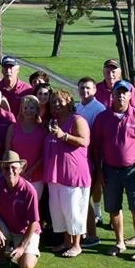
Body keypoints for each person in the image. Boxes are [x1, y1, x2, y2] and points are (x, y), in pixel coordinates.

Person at [91, 80, 135, 261]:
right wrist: (100, 171)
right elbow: (96, 147)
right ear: (112, 95)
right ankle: (119, 242)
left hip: (133, 170)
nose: (121, 96)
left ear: (130, 95)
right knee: (113, 209)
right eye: (118, 92)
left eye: (124, 93)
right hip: (110, 170)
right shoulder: (103, 118)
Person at [43, 88, 91, 258]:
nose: (56, 104)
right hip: (55, 174)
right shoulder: (53, 122)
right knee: (59, 211)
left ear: (69, 102)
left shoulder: (77, 120)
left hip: (73, 174)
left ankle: (76, 245)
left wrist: (64, 136)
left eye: (60, 100)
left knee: (73, 210)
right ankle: (66, 241)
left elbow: (84, 141)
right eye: (53, 101)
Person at [0, 151, 41, 268]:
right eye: (6, 168)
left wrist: (22, 247)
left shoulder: (29, 190)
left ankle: (30, 251)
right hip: (6, 227)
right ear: (2, 169)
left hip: (26, 231)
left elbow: (34, 222)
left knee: (26, 267)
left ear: (20, 169)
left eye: (14, 168)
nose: (10, 171)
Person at [76, 76, 107, 246]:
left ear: (95, 90)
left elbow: (98, 138)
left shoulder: (99, 108)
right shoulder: (78, 106)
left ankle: (91, 235)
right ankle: (83, 232)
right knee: (81, 197)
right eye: (82, 88)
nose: (85, 91)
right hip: (81, 159)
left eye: (88, 88)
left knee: (84, 198)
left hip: (92, 158)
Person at [6, 95, 47, 198]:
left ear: (37, 110)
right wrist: (18, 170)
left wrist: (30, 171)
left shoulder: (42, 130)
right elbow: (8, 150)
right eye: (25, 108)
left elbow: (44, 154)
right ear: (21, 109)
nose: (28, 111)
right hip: (15, 174)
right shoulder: (13, 127)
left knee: (33, 207)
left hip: (36, 176)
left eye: (32, 108)